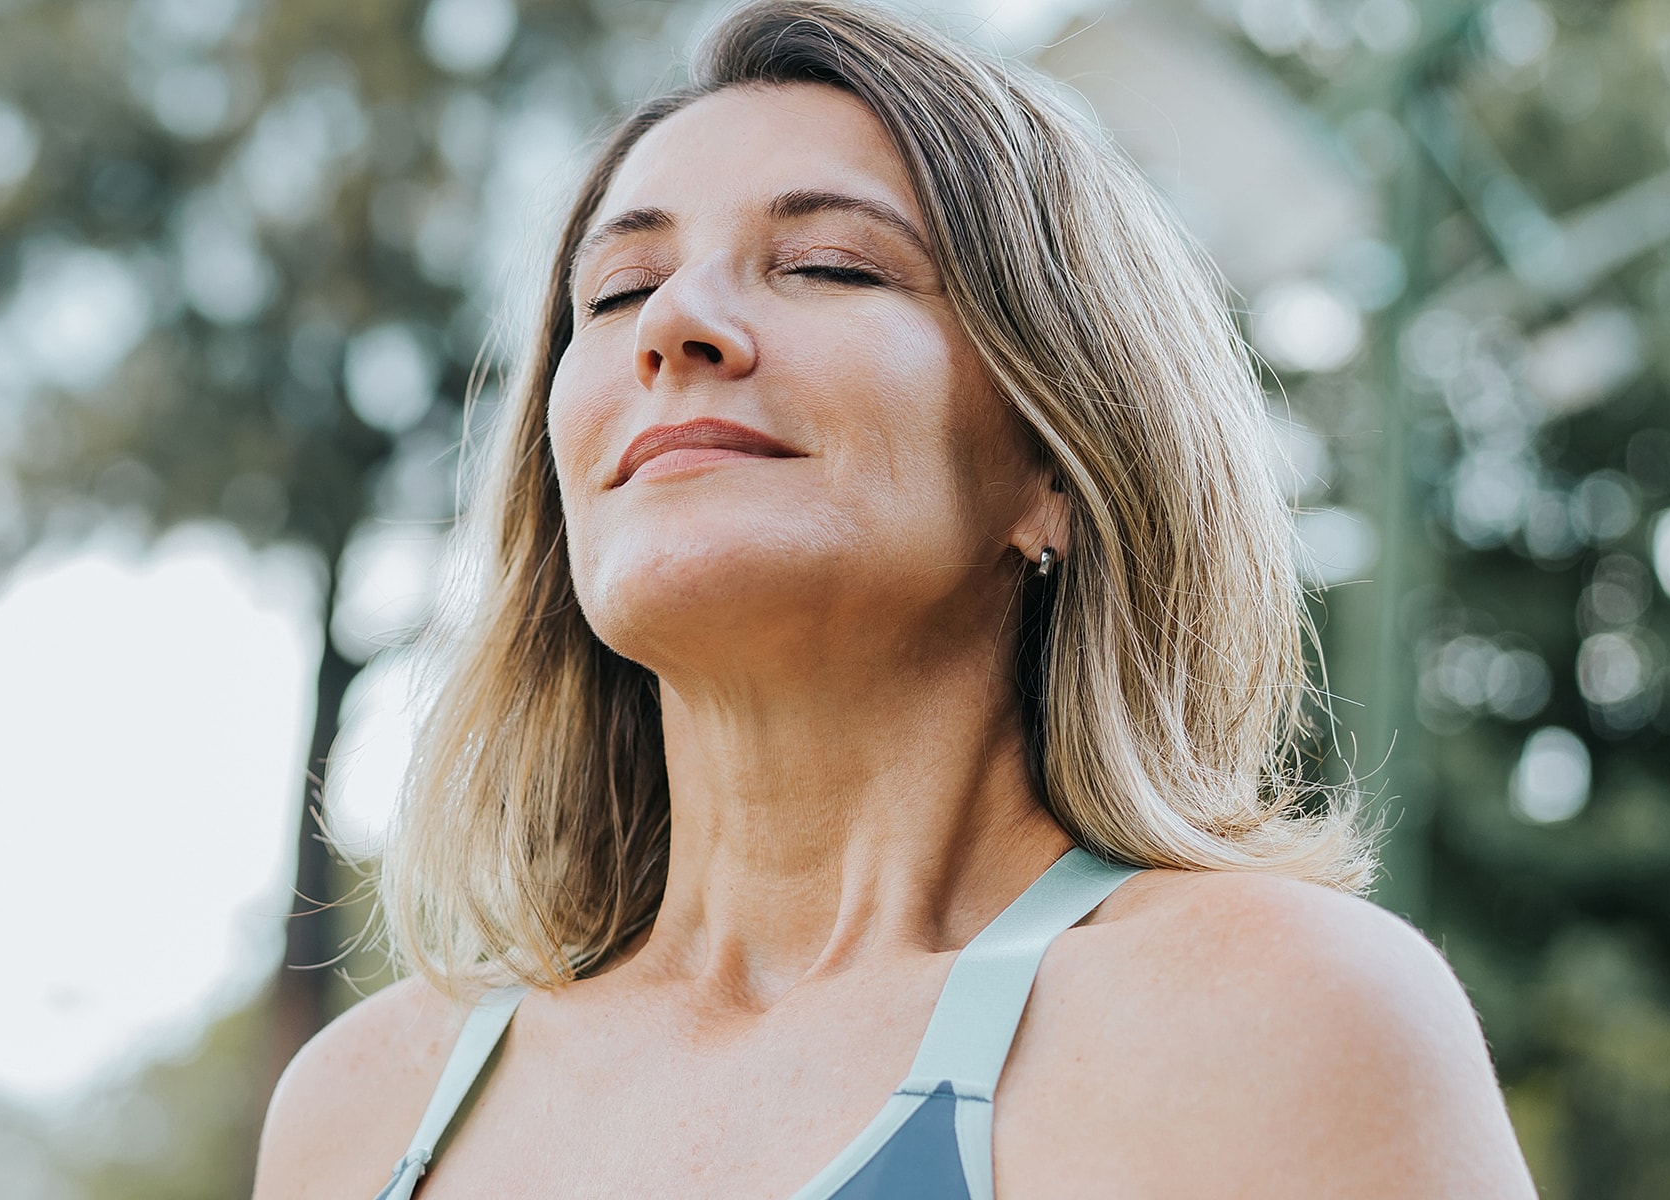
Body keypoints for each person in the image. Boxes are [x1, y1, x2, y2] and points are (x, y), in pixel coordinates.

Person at [254, 1, 1537, 1195]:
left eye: (825, 265)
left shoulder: (1282, 1022)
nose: (675, 324)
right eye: (618, 291)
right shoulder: (360, 1111)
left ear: (1057, 462)